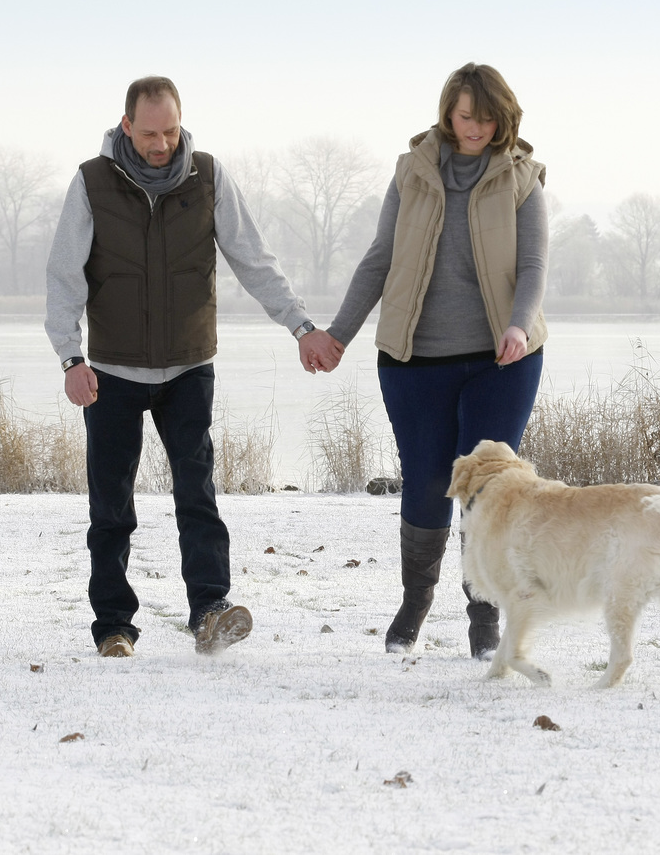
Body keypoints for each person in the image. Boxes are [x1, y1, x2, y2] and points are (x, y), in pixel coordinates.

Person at [45, 76, 343, 659]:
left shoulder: (207, 176)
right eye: (150, 133)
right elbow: (63, 276)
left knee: (197, 493)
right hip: (111, 370)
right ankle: (113, 627)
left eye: (171, 131)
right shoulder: (92, 182)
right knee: (111, 506)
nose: (161, 144)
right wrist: (71, 357)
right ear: (126, 126)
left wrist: (301, 326)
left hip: (188, 367)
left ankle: (210, 610)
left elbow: (252, 259)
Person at [324, 63, 549, 660]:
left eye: (487, 116)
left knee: (486, 488)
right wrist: (339, 335)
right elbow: (380, 257)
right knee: (425, 481)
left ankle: (484, 615)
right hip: (415, 358)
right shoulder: (413, 172)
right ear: (448, 112)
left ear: (504, 118)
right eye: (466, 114)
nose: (475, 127)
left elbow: (533, 269)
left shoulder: (522, 178)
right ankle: (416, 599)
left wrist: (518, 327)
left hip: (501, 360)